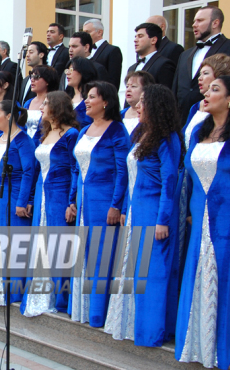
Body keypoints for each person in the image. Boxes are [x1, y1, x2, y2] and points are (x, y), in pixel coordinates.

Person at [175, 75, 230, 369]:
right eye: (207, 88)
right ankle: (197, 340)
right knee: (198, 273)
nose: (205, 92)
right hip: (201, 219)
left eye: (215, 89)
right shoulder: (198, 133)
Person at [104, 84, 183, 347]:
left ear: (157, 106)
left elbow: (169, 180)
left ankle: (151, 333)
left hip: (155, 214)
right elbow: (131, 177)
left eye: (144, 102)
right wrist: (126, 209)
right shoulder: (141, 133)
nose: (137, 105)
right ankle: (131, 325)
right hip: (137, 211)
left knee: (153, 274)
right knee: (135, 272)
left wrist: (162, 220)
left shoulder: (167, 137)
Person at [68, 81, 130, 328]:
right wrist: (72, 199)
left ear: (106, 101)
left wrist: (116, 205)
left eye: (92, 97)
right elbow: (76, 168)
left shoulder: (116, 131)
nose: (86, 101)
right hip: (84, 201)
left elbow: (122, 170)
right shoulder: (84, 130)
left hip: (105, 200)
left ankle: (98, 312)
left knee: (102, 255)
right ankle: (81, 308)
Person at [20, 91, 79, 317]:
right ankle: (40, 292)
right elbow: (37, 170)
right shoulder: (44, 134)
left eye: (46, 103)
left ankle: (60, 297)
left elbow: (75, 169)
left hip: (60, 194)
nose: (42, 106)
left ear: (57, 107)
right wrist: (32, 199)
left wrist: (71, 201)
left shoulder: (71, 134)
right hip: (43, 195)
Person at [0, 100, 36, 306]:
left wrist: (22, 201)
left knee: (14, 242)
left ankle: (14, 291)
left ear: (9, 116)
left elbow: (30, 171)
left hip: (14, 193)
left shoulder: (23, 140)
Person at [172, 6, 230, 125]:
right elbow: (176, 89)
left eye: (200, 20)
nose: (194, 25)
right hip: (183, 121)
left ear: (215, 23)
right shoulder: (185, 54)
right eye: (193, 21)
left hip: (218, 120)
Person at [126, 23, 176, 88]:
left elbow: (165, 94)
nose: (135, 40)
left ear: (153, 40)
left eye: (140, 36)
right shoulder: (131, 68)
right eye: (135, 37)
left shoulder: (164, 64)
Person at [23, 66, 60, 144]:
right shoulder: (28, 103)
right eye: (31, 76)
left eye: (36, 77)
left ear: (47, 81)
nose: (32, 80)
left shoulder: (54, 103)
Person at [83, 19, 123, 88]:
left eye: (88, 32)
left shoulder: (112, 50)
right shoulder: (84, 50)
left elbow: (114, 80)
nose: (84, 36)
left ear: (99, 32)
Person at [66, 57, 98, 129]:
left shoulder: (93, 98)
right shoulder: (66, 98)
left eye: (71, 70)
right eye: (67, 70)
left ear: (83, 71)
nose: (67, 73)